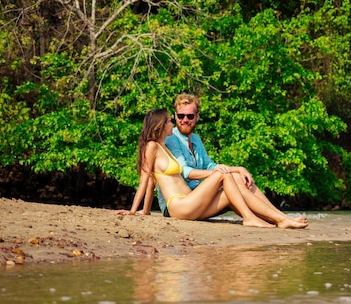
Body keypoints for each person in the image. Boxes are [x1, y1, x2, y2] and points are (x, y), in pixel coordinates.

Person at [115, 108, 308, 229]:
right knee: (222, 175)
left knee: (236, 188)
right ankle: (249, 218)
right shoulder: (151, 147)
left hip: (192, 202)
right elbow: (145, 180)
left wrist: (146, 211)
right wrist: (134, 211)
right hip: (180, 205)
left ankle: (279, 219)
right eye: (169, 120)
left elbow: (153, 183)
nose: (173, 123)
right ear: (160, 125)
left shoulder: (164, 146)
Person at [161, 93, 307, 225]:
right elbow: (185, 171)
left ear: (197, 117)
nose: (185, 120)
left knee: (238, 178)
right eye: (181, 116)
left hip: (198, 197)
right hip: (184, 203)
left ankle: (280, 218)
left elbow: (209, 165)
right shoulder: (171, 138)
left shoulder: (196, 140)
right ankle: (274, 218)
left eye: (190, 116)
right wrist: (217, 174)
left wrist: (238, 169)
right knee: (227, 179)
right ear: (175, 116)